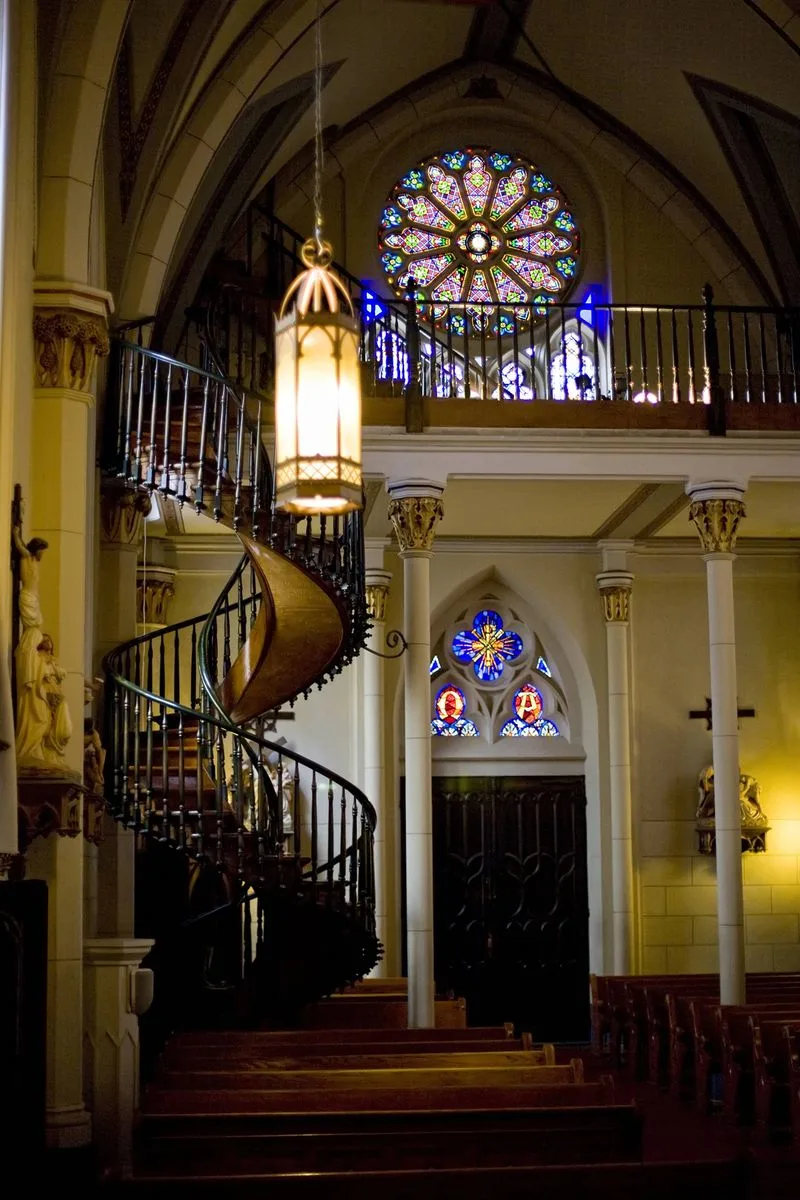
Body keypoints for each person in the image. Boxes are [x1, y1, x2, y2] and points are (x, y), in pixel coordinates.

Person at [13, 526, 72, 766]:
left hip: (32, 597)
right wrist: (16, 534)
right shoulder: (27, 557)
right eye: (41, 551)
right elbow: (20, 548)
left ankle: (42, 750)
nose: (41, 555)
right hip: (28, 596)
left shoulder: (42, 655)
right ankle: (32, 749)